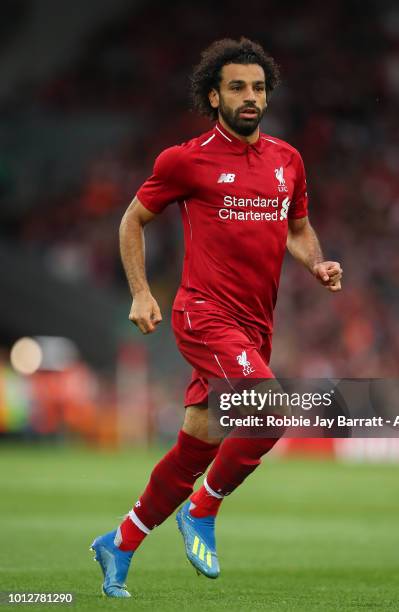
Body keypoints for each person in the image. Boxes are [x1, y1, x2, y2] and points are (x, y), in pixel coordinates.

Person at [91, 37, 342, 598]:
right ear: (214, 96)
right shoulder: (187, 160)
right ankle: (202, 510)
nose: (249, 97)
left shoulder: (287, 160)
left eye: (257, 88)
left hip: (255, 326)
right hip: (204, 314)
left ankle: (121, 542)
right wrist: (139, 292)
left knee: (196, 447)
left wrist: (318, 262)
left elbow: (297, 230)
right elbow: (132, 220)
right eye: (237, 87)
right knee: (269, 411)